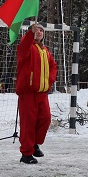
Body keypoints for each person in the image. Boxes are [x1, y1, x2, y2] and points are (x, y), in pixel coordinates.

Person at [16, 23, 58, 164]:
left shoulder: (45, 50)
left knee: (45, 119)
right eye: (36, 30)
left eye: (41, 30)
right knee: (28, 123)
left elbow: (53, 66)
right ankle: (26, 154)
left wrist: (50, 79)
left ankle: (34, 144)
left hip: (42, 93)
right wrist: (30, 33)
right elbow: (23, 46)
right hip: (28, 92)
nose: (39, 32)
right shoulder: (27, 47)